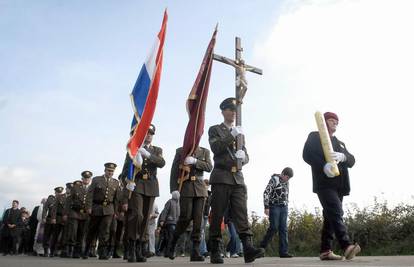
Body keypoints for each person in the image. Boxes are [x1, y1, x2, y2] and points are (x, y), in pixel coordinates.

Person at [207, 97, 265, 264]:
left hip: (237, 178)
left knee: (241, 213)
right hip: (221, 176)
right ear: (223, 111)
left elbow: (246, 155)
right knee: (218, 214)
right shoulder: (215, 129)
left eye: (235, 110)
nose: (233, 112)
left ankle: (248, 248)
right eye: (230, 109)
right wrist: (231, 135)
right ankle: (216, 250)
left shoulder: (240, 134)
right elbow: (216, 148)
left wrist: (244, 158)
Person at [303, 111, 361, 260]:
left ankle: (325, 250)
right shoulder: (314, 136)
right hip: (324, 183)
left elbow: (352, 160)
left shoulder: (340, 143)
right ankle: (346, 245)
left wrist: (344, 156)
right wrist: (323, 165)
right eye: (331, 120)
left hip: (340, 185)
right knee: (336, 211)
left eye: (336, 121)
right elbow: (307, 154)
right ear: (323, 121)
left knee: (330, 216)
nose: (334, 122)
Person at [121, 124, 166, 263]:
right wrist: (127, 182)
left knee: (146, 217)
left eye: (151, 133)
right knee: (137, 215)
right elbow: (124, 171)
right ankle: (132, 245)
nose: (149, 135)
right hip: (137, 185)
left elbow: (161, 162)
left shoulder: (157, 150)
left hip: (151, 185)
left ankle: (140, 247)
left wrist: (148, 154)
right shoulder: (133, 150)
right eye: (146, 133)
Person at [166, 146, 212, 261]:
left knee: (198, 220)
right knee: (185, 217)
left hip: (200, 188)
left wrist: (196, 161)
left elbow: (209, 167)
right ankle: (172, 244)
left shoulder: (204, 151)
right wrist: (174, 189)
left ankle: (195, 251)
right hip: (186, 187)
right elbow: (174, 170)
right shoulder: (181, 151)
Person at [84, 162, 121, 260]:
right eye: (109, 170)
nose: (110, 172)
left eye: (112, 171)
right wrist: (88, 207)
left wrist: (116, 212)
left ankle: (102, 252)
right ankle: (86, 250)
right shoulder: (96, 180)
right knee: (92, 230)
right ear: (105, 170)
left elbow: (116, 199)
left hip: (109, 209)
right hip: (96, 207)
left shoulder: (116, 182)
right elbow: (90, 194)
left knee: (105, 231)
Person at [260, 167, 294, 258]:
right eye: (287, 177)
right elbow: (266, 193)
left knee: (283, 229)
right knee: (274, 227)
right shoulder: (274, 180)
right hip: (274, 206)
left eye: (289, 178)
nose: (287, 179)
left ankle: (284, 252)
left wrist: (286, 204)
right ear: (282, 174)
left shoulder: (287, 182)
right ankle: (261, 247)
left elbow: (287, 193)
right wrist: (266, 207)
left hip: (284, 207)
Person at [65, 171, 92, 258]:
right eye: (85, 178)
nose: (86, 179)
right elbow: (69, 201)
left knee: (82, 232)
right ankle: (70, 249)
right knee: (73, 231)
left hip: (85, 214)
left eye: (88, 178)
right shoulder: (75, 187)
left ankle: (78, 250)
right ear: (82, 179)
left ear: (90, 179)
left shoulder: (92, 188)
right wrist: (66, 213)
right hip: (74, 212)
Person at [41, 192, 57, 257]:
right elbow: (45, 209)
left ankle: (53, 252)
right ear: (55, 193)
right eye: (57, 192)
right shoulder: (50, 199)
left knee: (55, 237)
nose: (58, 193)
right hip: (49, 220)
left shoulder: (62, 198)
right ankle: (46, 251)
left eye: (60, 192)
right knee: (47, 236)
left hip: (58, 220)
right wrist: (44, 217)